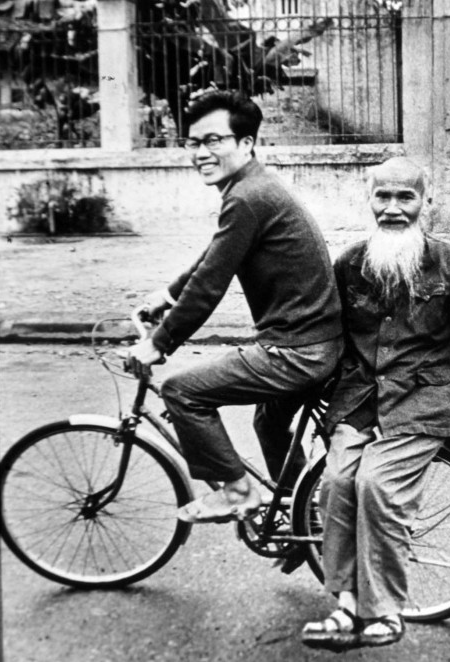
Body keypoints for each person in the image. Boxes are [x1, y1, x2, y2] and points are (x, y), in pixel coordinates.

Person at [300, 157, 450, 651]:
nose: (393, 208)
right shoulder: (350, 264)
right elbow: (332, 335)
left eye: (405, 197)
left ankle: (384, 610)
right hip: (359, 399)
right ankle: (346, 605)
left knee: (377, 485)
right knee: (336, 484)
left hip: (424, 400)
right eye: (382, 197)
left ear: (425, 203)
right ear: (369, 201)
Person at [128, 90, 343, 522]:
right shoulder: (253, 187)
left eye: (214, 141)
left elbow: (211, 283)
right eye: (193, 143)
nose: (202, 153)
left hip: (296, 352)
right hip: (317, 343)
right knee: (268, 423)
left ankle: (237, 491)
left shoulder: (247, 197)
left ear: (246, 144)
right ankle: (307, 520)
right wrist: (168, 296)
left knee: (181, 391)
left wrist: (160, 343)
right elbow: (218, 254)